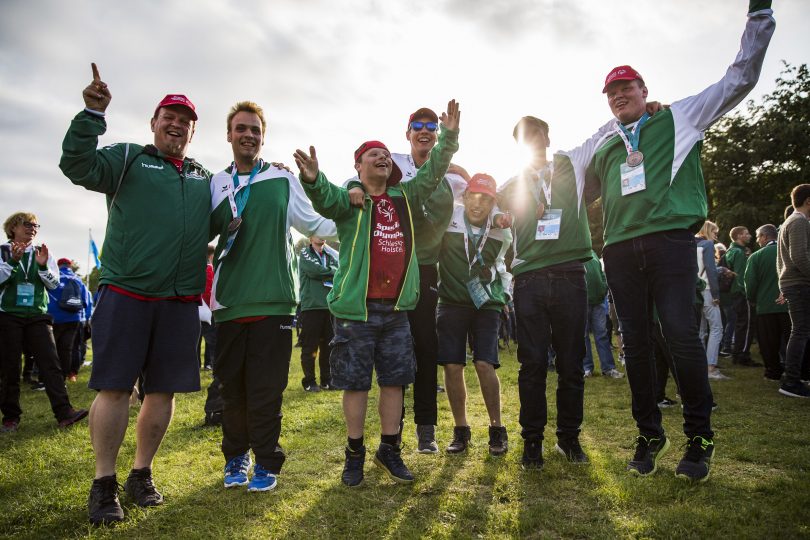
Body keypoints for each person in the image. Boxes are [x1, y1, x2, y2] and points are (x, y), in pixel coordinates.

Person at [584, 2, 775, 481]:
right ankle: (649, 434)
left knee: (681, 335)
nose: (619, 95)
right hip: (619, 251)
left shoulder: (680, 117)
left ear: (644, 90)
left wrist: (759, 16)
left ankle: (699, 437)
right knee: (635, 345)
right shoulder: (605, 144)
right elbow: (562, 182)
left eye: (627, 87)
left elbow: (738, 80)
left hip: (670, 244)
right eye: (612, 92)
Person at [59, 64, 211, 524]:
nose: (176, 124)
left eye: (185, 121)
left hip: (179, 301)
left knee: (162, 392)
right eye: (169, 117)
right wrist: (91, 115)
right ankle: (104, 483)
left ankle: (141, 473)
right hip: (127, 293)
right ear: (154, 123)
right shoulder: (128, 158)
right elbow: (77, 165)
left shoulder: (204, 177)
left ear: (192, 132)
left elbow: (229, 219)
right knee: (115, 388)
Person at [294, 99, 460, 487]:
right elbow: (325, 197)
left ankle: (389, 449)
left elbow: (433, 172)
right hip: (358, 310)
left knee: (394, 381)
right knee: (355, 383)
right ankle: (354, 453)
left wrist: (449, 137)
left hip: (397, 309)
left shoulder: (405, 196)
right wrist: (314, 179)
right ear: (358, 166)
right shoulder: (350, 200)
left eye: (386, 154)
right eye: (374, 154)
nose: (383, 158)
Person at [210, 101, 337, 492]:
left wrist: (353, 213)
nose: (248, 135)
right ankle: (236, 457)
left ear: (262, 138)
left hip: (275, 300)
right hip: (228, 302)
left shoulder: (281, 177)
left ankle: (266, 461)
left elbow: (314, 222)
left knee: (267, 389)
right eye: (241, 128)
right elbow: (199, 233)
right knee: (232, 390)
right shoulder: (214, 183)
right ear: (229, 134)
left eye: (255, 130)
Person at [498, 115, 621, 469]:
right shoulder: (512, 184)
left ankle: (569, 437)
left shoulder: (571, 162)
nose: (532, 139)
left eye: (536, 133)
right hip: (529, 278)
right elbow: (478, 206)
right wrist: (499, 217)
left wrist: (650, 110)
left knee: (571, 363)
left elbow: (605, 130)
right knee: (533, 363)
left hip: (570, 274)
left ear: (547, 138)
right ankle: (532, 441)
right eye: (524, 136)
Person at [436, 174, 512, 457]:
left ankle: (497, 429)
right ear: (464, 197)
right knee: (452, 366)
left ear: (493, 202)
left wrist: (505, 295)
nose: (478, 204)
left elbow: (501, 264)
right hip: (451, 301)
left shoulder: (501, 229)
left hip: (486, 304)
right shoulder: (449, 217)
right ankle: (461, 430)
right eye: (473, 197)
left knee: (484, 363)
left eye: (486, 199)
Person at [0, 213, 88, 432]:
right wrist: (13, 262)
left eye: (35, 225)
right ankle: (11, 417)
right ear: (13, 227)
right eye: (27, 224)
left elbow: (54, 284)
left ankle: (64, 413)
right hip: (8, 315)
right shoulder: (3, 251)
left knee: (51, 363)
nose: (33, 228)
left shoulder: (43, 252)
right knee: (9, 367)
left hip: (37, 315)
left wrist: (42, 267)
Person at [776, 184, 810, 398]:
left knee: (802, 331)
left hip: (793, 283)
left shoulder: (790, 221)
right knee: (800, 331)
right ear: (808, 201)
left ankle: (799, 376)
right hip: (798, 284)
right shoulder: (798, 221)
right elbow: (799, 256)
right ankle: (791, 381)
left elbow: (781, 261)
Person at [745, 224, 789, 382]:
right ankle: (801, 372)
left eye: (758, 237)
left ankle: (773, 372)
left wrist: (752, 299)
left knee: (768, 343)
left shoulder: (756, 256)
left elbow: (750, 283)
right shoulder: (788, 251)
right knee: (794, 340)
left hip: (765, 306)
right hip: (790, 304)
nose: (757, 240)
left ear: (764, 236)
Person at [298, 235, 339, 392]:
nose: (321, 236)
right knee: (310, 346)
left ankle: (327, 380)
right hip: (312, 307)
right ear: (310, 236)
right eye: (317, 232)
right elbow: (313, 271)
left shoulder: (330, 255)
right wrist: (331, 272)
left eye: (323, 233)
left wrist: (330, 272)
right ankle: (309, 381)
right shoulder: (305, 252)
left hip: (329, 307)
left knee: (329, 346)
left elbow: (340, 270)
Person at [47, 258, 91, 381]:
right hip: (74, 318)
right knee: (67, 348)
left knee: (51, 348)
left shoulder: (54, 277)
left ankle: (50, 377)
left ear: (58, 265)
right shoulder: (78, 280)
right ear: (70, 266)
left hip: (55, 318)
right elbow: (85, 301)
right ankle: (63, 377)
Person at [583, 251, 623, 379]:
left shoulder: (593, 253)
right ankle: (587, 369)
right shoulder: (575, 253)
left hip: (598, 302)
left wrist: (604, 287)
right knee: (583, 337)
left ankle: (608, 368)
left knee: (602, 335)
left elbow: (601, 273)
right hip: (582, 302)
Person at [696, 221, 728, 380]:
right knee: (717, 328)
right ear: (708, 231)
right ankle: (711, 368)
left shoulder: (690, 244)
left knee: (701, 331)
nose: (716, 235)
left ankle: (701, 366)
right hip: (708, 290)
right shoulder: (708, 244)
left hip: (695, 291)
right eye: (715, 232)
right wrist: (716, 294)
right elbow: (709, 269)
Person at [726, 226, 759, 367]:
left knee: (741, 324)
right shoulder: (739, 253)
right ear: (739, 236)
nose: (750, 235)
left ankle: (737, 354)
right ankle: (742, 356)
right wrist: (748, 294)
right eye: (747, 233)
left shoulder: (730, 250)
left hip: (733, 293)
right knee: (747, 325)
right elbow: (741, 277)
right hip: (741, 293)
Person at [199, 245, 216, 371]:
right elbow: (208, 291)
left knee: (196, 340)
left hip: (196, 309)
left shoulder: (198, 269)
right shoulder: (209, 268)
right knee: (212, 340)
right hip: (207, 310)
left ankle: (197, 364)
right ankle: (210, 364)